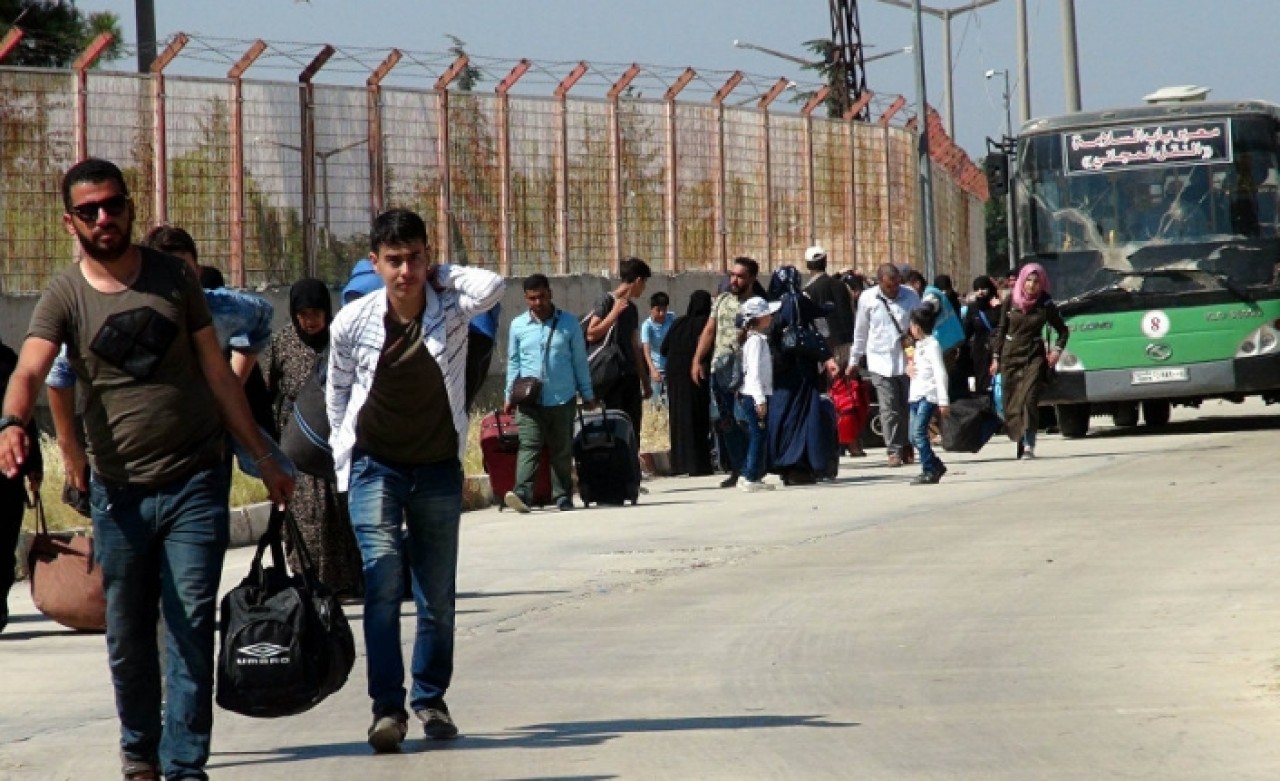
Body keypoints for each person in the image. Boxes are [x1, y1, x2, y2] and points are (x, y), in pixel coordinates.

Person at [0, 158, 294, 781]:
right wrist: (12, 425)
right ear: (69, 223)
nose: (104, 218)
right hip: (119, 496)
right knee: (128, 634)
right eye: (89, 211)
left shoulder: (172, 280)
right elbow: (30, 370)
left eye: (113, 205)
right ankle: (140, 752)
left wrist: (263, 456)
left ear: (130, 206)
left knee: (189, 620)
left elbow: (217, 372)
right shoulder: (64, 295)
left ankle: (185, 763)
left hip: (195, 480)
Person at [326, 208, 504, 753]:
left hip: (435, 469)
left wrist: (440, 272)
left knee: (436, 595)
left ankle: (430, 697)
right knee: (381, 583)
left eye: (415, 258)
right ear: (375, 264)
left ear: (428, 258)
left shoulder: (450, 306)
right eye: (394, 261)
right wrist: (345, 450)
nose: (405, 272)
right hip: (375, 466)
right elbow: (337, 393)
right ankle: (388, 709)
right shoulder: (352, 322)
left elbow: (494, 286)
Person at [261, 278, 363, 598]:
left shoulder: (340, 340)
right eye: (303, 313)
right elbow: (266, 387)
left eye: (317, 312)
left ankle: (342, 580)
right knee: (304, 511)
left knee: (338, 509)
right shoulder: (282, 342)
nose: (310, 320)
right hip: (295, 440)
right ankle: (307, 578)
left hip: (336, 436)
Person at [502, 274, 595, 513]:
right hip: (529, 400)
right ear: (525, 299)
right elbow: (513, 362)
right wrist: (508, 395)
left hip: (561, 397)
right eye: (532, 298)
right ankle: (522, 493)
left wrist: (587, 393)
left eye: (542, 296)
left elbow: (579, 361)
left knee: (561, 449)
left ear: (550, 294)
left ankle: (563, 495)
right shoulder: (518, 326)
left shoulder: (569, 324)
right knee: (529, 446)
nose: (538, 302)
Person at [765, 266, 840, 485]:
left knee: (781, 416)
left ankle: (784, 464)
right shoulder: (797, 300)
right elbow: (818, 319)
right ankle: (799, 464)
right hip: (801, 372)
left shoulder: (769, 307)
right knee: (802, 417)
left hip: (779, 374)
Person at [692, 257, 760, 487]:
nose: (734, 279)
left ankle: (753, 468)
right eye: (732, 275)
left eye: (740, 276)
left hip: (746, 371)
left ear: (751, 278)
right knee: (725, 421)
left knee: (745, 419)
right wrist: (697, 359)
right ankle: (737, 468)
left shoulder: (757, 303)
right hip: (720, 369)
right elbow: (709, 330)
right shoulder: (722, 300)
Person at [990, 262, 1069, 460]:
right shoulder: (1011, 300)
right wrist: (995, 357)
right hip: (1010, 355)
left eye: (1036, 281)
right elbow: (1001, 329)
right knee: (1012, 402)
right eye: (1028, 281)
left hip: (1034, 355)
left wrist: (1057, 350)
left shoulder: (1045, 303)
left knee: (1029, 399)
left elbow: (1063, 330)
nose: (1032, 285)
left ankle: (1029, 444)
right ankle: (1019, 438)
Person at [845, 263, 921, 467]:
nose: (894, 290)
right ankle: (893, 450)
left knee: (906, 405)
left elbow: (921, 325)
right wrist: (854, 360)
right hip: (879, 361)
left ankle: (906, 445)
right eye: (889, 287)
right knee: (889, 408)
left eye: (896, 285)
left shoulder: (911, 296)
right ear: (880, 283)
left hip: (907, 361)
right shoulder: (867, 299)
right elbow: (860, 332)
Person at [584, 257, 653, 447]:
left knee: (633, 426)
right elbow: (591, 333)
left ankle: (631, 467)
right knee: (615, 425)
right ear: (638, 280)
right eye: (644, 283)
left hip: (629, 375)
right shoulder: (606, 300)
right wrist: (614, 313)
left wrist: (644, 380)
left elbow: (634, 344)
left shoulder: (632, 308)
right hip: (611, 375)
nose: (644, 288)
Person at [0, 338, 40, 635]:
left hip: (6, 471)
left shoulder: (6, 361)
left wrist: (34, 465)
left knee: (3, 543)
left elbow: (25, 418)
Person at [659, 290, 714, 477]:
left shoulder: (678, 323)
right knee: (697, 418)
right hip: (695, 375)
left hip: (675, 376)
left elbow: (664, 349)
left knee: (678, 418)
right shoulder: (707, 324)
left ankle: (679, 464)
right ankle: (698, 465)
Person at [737, 296, 781, 492]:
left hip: (754, 394)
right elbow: (753, 373)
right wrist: (760, 400)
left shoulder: (756, 339)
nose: (771, 317)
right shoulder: (756, 342)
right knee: (758, 436)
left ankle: (747, 472)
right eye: (767, 314)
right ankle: (751, 476)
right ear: (759, 317)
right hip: (755, 395)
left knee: (758, 435)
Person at [906, 304, 951, 485]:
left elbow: (940, 372)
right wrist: (907, 369)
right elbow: (915, 369)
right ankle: (935, 464)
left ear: (917, 326)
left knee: (919, 433)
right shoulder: (917, 346)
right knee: (913, 436)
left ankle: (929, 470)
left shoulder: (933, 345)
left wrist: (943, 400)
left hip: (928, 395)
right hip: (915, 395)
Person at [802, 245, 855, 368]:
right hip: (847, 342)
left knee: (830, 384)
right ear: (825, 261)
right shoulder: (843, 286)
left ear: (808, 265)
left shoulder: (808, 291)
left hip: (825, 346)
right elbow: (851, 312)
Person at [962, 275, 1001, 396]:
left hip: (997, 349)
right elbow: (967, 331)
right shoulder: (973, 308)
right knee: (982, 385)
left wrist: (999, 308)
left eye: (983, 288)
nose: (980, 292)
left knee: (998, 384)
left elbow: (1001, 325)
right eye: (977, 289)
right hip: (980, 352)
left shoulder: (998, 306)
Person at [640, 291, 675, 407]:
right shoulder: (647, 326)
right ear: (651, 309)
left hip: (671, 367)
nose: (661, 313)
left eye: (664, 310)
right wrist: (653, 370)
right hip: (657, 369)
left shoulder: (671, 318)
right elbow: (646, 350)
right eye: (658, 310)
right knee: (656, 404)